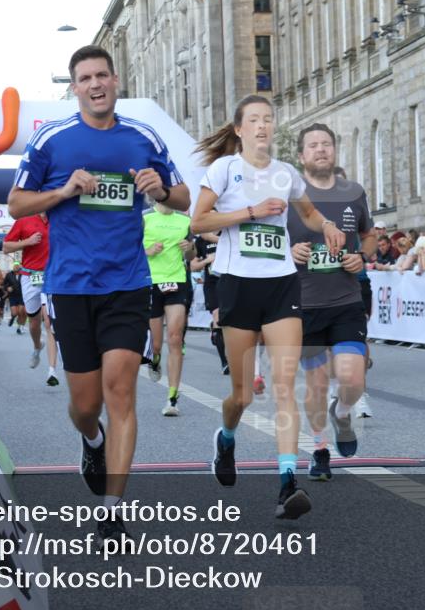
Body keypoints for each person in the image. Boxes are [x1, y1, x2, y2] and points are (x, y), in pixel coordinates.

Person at [7, 45, 191, 538]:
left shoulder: (142, 137)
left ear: (115, 81)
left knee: (121, 392)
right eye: (85, 78)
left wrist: (159, 190)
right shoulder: (52, 140)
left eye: (102, 75)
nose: (95, 84)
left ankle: (111, 511)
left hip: (128, 283)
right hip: (70, 287)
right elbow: (15, 203)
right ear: (74, 88)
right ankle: (91, 440)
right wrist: (63, 191)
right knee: (86, 406)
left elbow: (183, 196)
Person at [190, 94, 345, 519]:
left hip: (280, 286)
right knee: (241, 394)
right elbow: (198, 222)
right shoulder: (224, 169)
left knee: (284, 386)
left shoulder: (287, 174)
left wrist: (327, 225)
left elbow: (310, 213)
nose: (262, 126)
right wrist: (250, 212)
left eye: (268, 120)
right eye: (254, 120)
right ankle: (226, 438)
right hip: (237, 285)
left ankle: (287, 483)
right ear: (239, 130)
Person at [288, 123, 376, 479]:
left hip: (345, 299)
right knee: (317, 384)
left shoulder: (353, 192)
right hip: (303, 304)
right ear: (301, 155)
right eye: (313, 145)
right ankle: (320, 448)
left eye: (326, 144)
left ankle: (342, 414)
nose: (321, 150)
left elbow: (368, 236)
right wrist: (288, 250)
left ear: (334, 151)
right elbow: (269, 239)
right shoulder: (291, 195)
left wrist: (362, 257)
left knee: (353, 378)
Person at [143, 202, 195, 416]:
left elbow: (192, 256)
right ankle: (155, 360)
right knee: (156, 345)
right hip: (151, 281)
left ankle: (172, 398)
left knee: (174, 338)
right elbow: (130, 249)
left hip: (177, 281)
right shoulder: (144, 217)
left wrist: (189, 249)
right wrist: (148, 250)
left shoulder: (185, 221)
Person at [4, 212, 60, 385]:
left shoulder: (60, 217)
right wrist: (27, 242)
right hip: (30, 277)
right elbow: (6, 247)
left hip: (53, 275)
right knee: (34, 323)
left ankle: (52, 371)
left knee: (49, 321)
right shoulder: (24, 220)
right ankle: (37, 346)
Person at [190, 232, 230, 374]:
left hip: (230, 282)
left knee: (231, 322)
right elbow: (193, 266)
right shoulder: (202, 240)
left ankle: (215, 333)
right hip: (212, 284)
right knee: (218, 317)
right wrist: (207, 261)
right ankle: (225, 362)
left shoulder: (228, 232)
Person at [3, 262, 26, 334]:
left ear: (20, 267)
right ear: (13, 267)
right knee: (14, 313)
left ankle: (20, 327)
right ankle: (12, 318)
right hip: (12, 296)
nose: (16, 267)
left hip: (22, 295)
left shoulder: (23, 274)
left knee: (21, 311)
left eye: (17, 266)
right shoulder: (9, 275)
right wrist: (7, 288)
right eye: (15, 266)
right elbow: (4, 284)